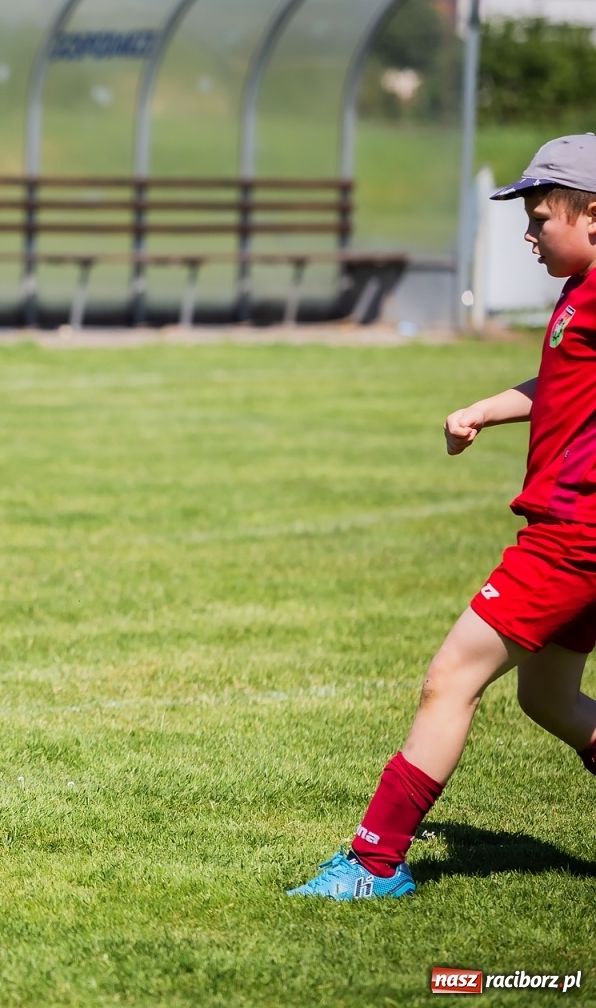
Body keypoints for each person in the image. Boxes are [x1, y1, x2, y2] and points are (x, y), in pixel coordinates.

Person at [289, 133, 596, 900]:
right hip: (573, 533)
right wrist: (484, 411)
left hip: (572, 534)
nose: (527, 234)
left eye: (540, 218)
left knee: (450, 678)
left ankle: (373, 863)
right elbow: (561, 381)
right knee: (546, 698)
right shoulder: (579, 292)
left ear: (593, 216)